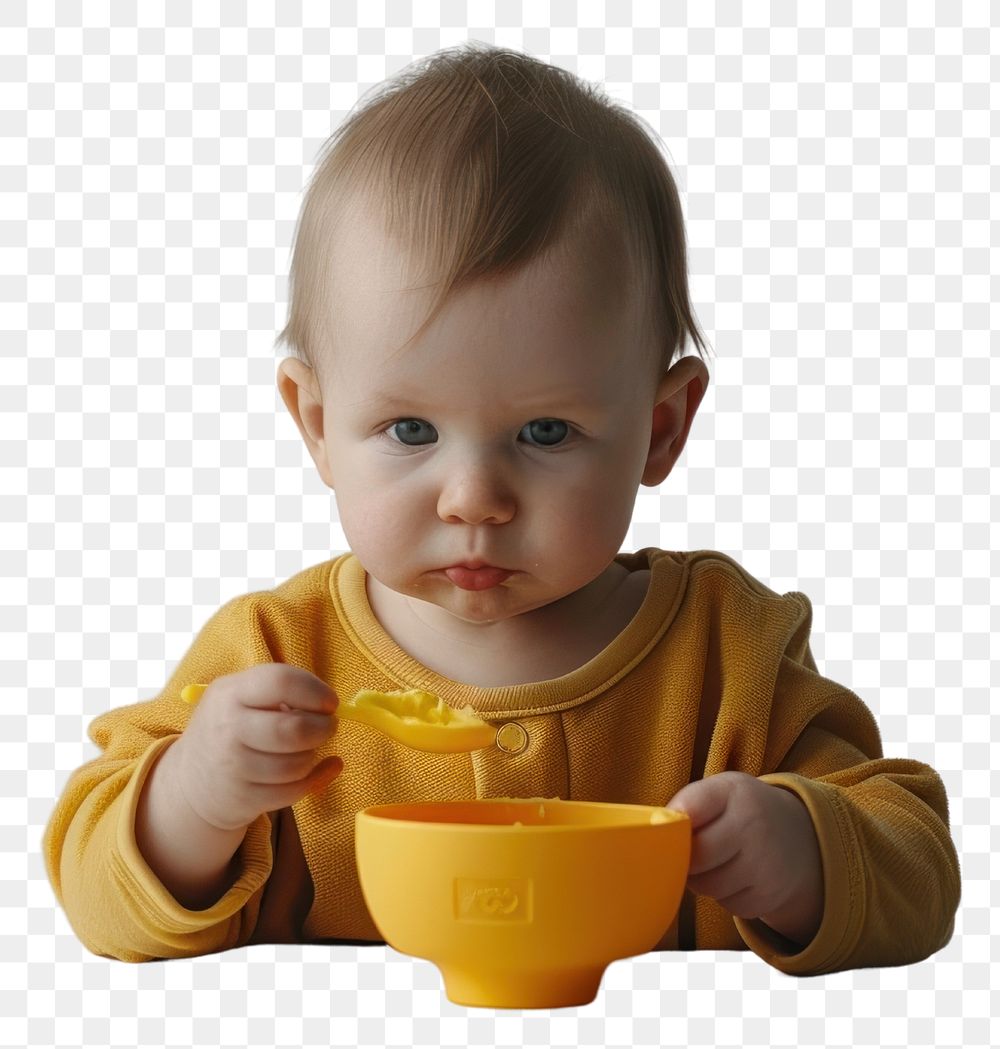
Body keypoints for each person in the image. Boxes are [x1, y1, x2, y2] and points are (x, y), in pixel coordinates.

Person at [43, 42, 960, 972]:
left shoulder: (732, 659)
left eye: (547, 433)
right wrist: (194, 799)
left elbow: (920, 872)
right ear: (316, 424)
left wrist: (801, 848)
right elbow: (92, 892)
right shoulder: (273, 656)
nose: (475, 499)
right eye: (408, 431)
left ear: (660, 429)